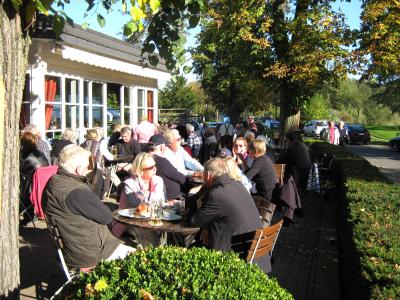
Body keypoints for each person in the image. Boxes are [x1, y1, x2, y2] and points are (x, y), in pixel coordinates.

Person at [43, 144, 134, 269]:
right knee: (140, 259)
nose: (92, 168)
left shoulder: (54, 182)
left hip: (71, 249)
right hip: (90, 254)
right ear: (79, 170)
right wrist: (93, 181)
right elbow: (107, 217)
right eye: (89, 164)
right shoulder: (76, 192)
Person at [190, 158, 262, 251]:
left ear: (207, 175)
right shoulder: (238, 184)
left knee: (188, 251)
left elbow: (195, 221)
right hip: (252, 247)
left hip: (235, 251)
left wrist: (194, 193)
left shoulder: (217, 194)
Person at [20, 132, 49, 224]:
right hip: (44, 184)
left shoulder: (22, 155)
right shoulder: (39, 153)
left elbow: (21, 171)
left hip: (31, 187)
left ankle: (28, 216)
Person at [148, 134, 187, 200]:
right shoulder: (161, 160)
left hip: (157, 193)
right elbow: (179, 177)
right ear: (162, 147)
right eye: (165, 146)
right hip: (170, 197)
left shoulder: (146, 157)